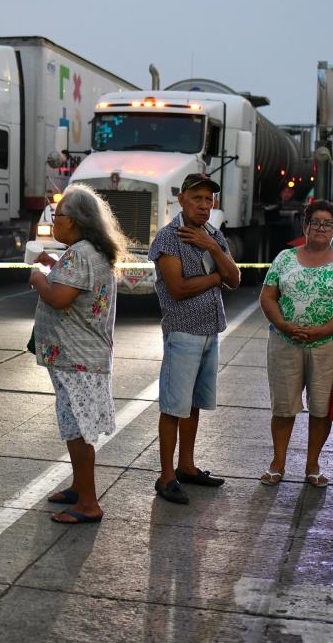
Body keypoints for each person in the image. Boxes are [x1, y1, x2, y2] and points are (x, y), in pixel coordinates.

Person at [30, 184, 127, 524]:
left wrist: (38, 277)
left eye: (59, 216)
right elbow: (75, 282)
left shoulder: (80, 253)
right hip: (80, 358)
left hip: (78, 359)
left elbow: (59, 297)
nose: (55, 221)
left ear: (76, 221)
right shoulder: (86, 252)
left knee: (79, 432)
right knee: (74, 426)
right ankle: (77, 487)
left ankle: (88, 503)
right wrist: (52, 263)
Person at [148, 172, 241, 505]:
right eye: (197, 198)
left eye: (209, 199)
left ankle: (186, 466)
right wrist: (216, 275)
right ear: (182, 199)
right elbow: (178, 288)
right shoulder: (169, 237)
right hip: (183, 332)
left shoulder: (213, 235)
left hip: (210, 331)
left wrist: (212, 247)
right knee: (174, 407)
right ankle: (166, 476)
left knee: (193, 406)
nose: (204, 205)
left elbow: (236, 279)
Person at [259, 200, 333, 487]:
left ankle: (312, 466)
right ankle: (277, 464)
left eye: (327, 224)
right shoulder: (284, 258)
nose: (320, 228)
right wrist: (283, 324)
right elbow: (267, 296)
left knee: (321, 409)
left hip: (327, 346)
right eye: (314, 222)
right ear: (304, 226)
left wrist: (322, 331)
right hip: (284, 342)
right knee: (283, 408)